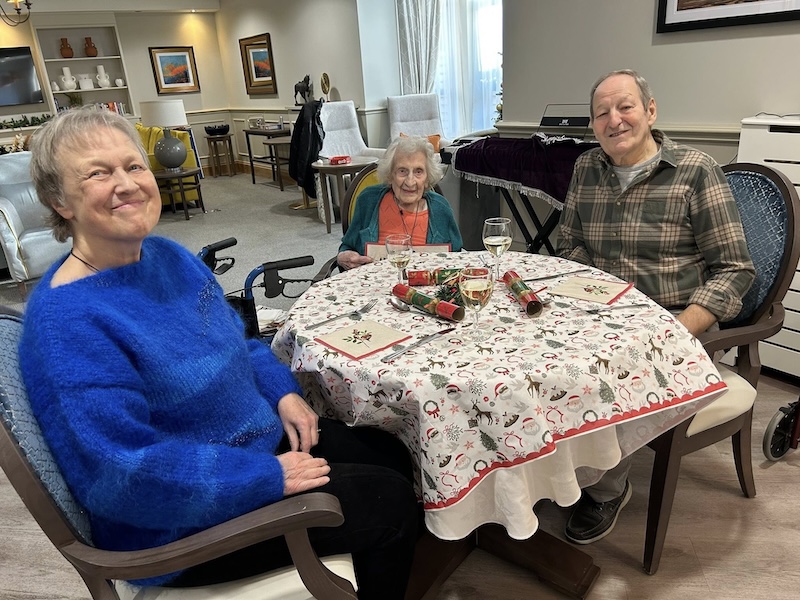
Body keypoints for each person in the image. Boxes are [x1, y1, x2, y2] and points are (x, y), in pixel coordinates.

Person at [18, 108, 419, 599]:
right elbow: (121, 472)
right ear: (60, 200)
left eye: (134, 166)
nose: (126, 184)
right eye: (98, 173)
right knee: (389, 502)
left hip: (248, 448)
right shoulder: (67, 322)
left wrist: (282, 394)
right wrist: (264, 477)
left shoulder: (167, 256)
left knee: (392, 451)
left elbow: (239, 343)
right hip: (182, 522)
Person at [557, 69, 755, 545]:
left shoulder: (695, 170)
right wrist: (593, 294)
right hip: (600, 314)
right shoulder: (587, 167)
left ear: (650, 110)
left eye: (625, 107)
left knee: (613, 376)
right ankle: (550, 473)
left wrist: (678, 327)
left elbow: (735, 269)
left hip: (676, 321)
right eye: (601, 112)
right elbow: (568, 245)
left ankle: (605, 487)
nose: (614, 120)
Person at [337, 135, 462, 270]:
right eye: (402, 171)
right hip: (373, 287)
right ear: (390, 176)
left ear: (427, 178)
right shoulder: (368, 200)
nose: (410, 181)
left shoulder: (441, 209)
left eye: (418, 172)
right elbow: (347, 246)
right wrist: (343, 256)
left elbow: (457, 257)